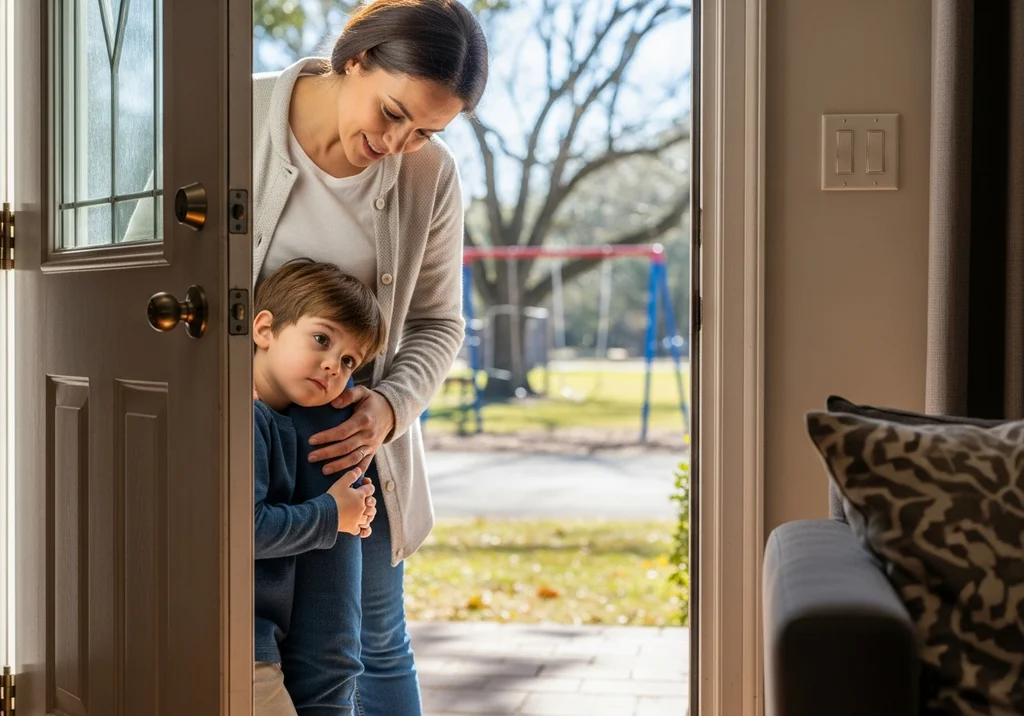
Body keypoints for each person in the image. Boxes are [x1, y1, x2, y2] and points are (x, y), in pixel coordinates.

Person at [251, 0, 489, 713]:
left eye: (425, 131)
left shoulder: (429, 176)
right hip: (244, 431)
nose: (398, 142)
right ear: (355, 57)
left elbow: (439, 323)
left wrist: (389, 407)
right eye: (392, 113)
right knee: (242, 635)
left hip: (352, 444)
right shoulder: (233, 114)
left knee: (373, 640)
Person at [252, 258, 388, 716]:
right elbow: (241, 528)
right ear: (265, 329)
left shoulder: (278, 421)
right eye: (321, 339)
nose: (333, 365)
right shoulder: (242, 417)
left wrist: (350, 509)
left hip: (268, 638)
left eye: (349, 361)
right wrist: (334, 514)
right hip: (237, 644)